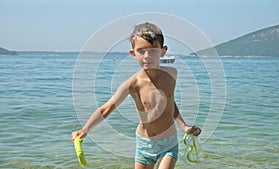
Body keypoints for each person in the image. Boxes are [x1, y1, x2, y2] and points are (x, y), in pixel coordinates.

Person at [72, 22, 201, 169]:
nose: (147, 56)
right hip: (144, 144)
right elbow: (106, 109)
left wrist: (184, 126)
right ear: (133, 53)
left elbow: (169, 102)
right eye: (141, 51)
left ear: (163, 51)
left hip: (168, 142)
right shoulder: (132, 84)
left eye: (153, 51)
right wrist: (85, 129)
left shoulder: (172, 74)